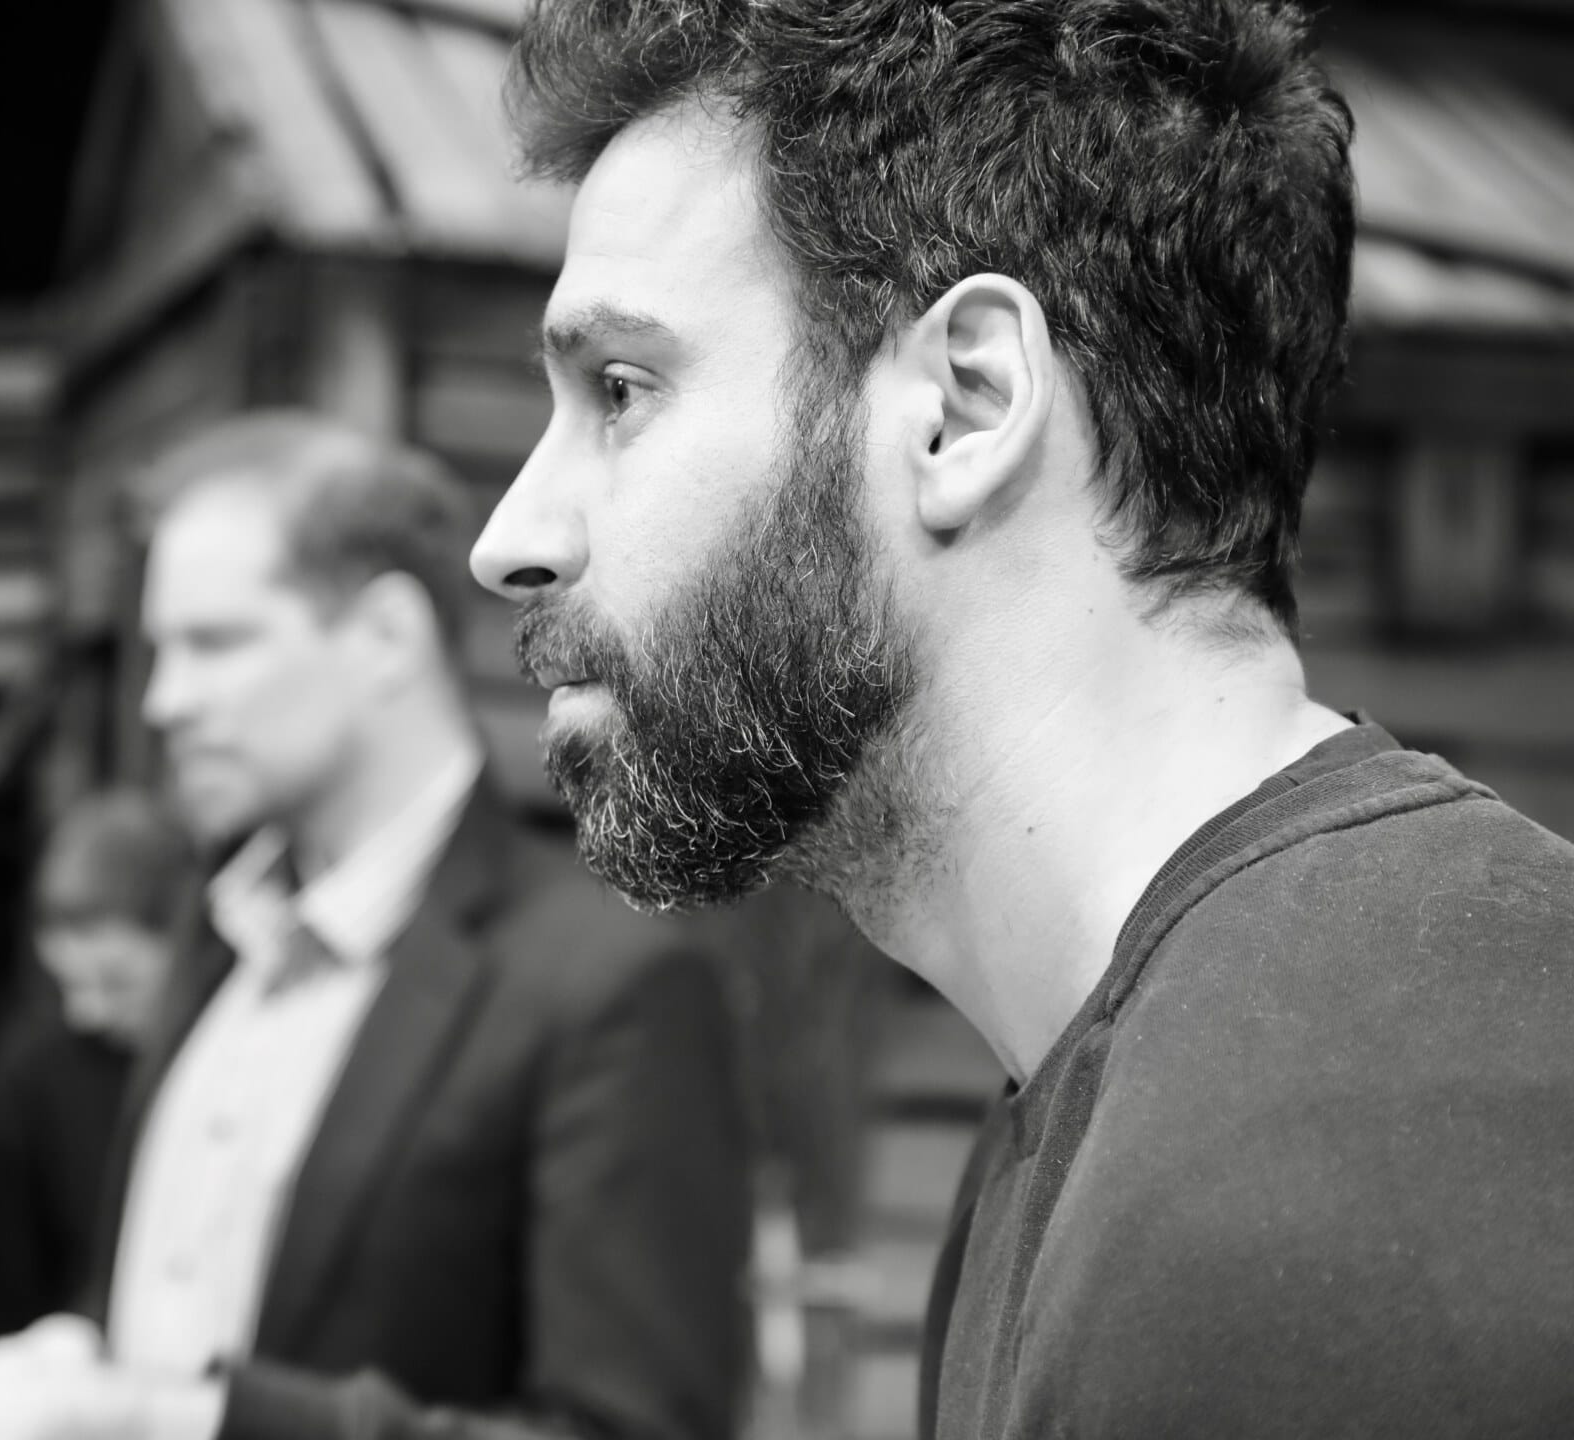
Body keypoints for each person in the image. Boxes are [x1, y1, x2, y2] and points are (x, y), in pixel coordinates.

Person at [468, 1, 1574, 1436]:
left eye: (621, 391)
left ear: (968, 406)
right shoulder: (1126, 1097)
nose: (510, 537)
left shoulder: (1328, 1189)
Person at [0, 412, 750, 1440]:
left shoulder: (609, 987)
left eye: (216, 643)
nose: (164, 702)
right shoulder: (218, 945)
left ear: (385, 637)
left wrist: (171, 1419)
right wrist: (34, 1369)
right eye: (159, 651)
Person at [0, 788, 189, 1336]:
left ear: (186, 943)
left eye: (117, 981)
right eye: (67, 982)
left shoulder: (229, 1058)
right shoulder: (31, 1074)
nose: (87, 1012)